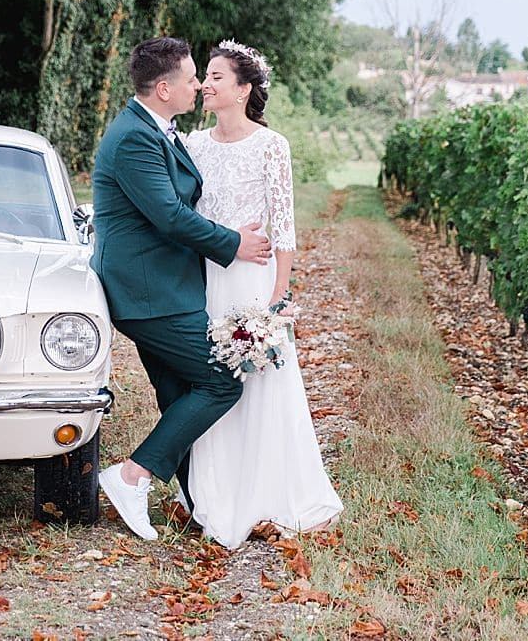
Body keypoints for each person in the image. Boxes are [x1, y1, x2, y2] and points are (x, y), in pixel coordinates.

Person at [91, 36, 272, 540]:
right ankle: (132, 476)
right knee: (221, 382)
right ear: (165, 88)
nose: (199, 85)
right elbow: (170, 217)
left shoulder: (160, 130)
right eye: (193, 77)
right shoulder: (133, 138)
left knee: (176, 393)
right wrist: (234, 243)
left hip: (166, 286)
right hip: (149, 292)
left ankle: (199, 502)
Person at [183, 40, 343, 549]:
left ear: (243, 89)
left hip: (253, 281)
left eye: (216, 77)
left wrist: (276, 302)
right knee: (213, 380)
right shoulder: (194, 145)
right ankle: (218, 490)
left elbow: (285, 230)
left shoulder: (272, 146)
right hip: (208, 277)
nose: (205, 85)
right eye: (205, 77)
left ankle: (273, 491)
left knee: (262, 383)